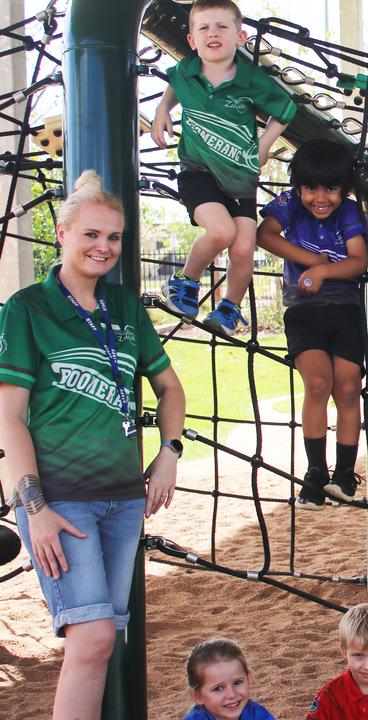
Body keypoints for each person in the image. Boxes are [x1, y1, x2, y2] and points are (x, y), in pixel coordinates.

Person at [0, 170, 186, 720]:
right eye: (91, 234)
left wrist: (169, 453)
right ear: (61, 233)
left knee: (103, 642)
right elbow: (8, 417)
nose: (103, 247)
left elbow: (170, 388)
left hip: (123, 498)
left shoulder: (126, 308)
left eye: (114, 237)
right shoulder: (28, 308)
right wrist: (33, 508)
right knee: (92, 640)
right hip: (60, 497)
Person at [152, 0, 296, 333]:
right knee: (221, 232)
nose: (212, 33)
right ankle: (185, 281)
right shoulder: (187, 70)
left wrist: (264, 145)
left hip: (239, 176)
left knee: (244, 246)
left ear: (240, 36)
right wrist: (163, 109)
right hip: (197, 172)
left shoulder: (250, 80)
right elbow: (175, 82)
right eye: (203, 28)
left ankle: (230, 308)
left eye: (221, 27)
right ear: (192, 40)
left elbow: (286, 109)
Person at [256, 138, 368, 509]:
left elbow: (357, 262)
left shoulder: (350, 213)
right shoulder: (290, 204)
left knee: (348, 388)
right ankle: (316, 471)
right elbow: (264, 234)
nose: (321, 197)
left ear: (344, 189)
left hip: (345, 308)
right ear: (298, 186)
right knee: (318, 383)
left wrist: (322, 270)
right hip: (304, 311)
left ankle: (345, 475)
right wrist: (309, 260)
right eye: (311, 188)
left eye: (331, 188)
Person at [183, 637, 276, 720]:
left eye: (237, 682)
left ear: (248, 679)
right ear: (198, 697)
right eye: (218, 688)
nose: (232, 695)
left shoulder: (259, 716)